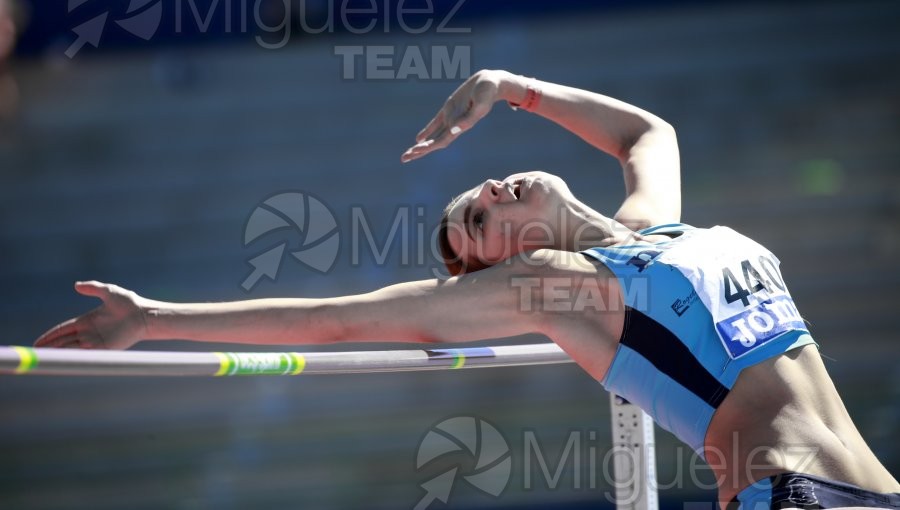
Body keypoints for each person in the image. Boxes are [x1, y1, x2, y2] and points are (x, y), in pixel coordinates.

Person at [34, 69, 899, 509]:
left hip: (873, 486)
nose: (488, 193)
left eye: (480, 189)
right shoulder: (560, 288)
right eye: (477, 222)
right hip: (790, 494)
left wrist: (507, 88)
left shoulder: (657, 230)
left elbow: (647, 131)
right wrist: (153, 320)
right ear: (502, 269)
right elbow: (334, 322)